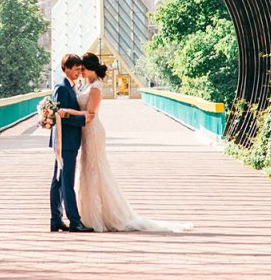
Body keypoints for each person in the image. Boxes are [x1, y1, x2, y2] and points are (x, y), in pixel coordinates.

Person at [66, 52, 193, 233]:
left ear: (91, 68)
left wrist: (66, 112)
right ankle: (88, 214)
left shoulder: (95, 88)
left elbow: (91, 114)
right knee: (87, 170)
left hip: (93, 131)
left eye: (83, 68)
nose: (81, 72)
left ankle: (100, 216)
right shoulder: (85, 85)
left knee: (96, 170)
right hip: (85, 132)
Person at [50, 54, 94, 232]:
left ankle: (56, 219)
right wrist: (84, 120)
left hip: (65, 140)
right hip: (65, 140)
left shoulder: (69, 86)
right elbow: (62, 117)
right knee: (66, 181)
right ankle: (74, 221)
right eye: (75, 69)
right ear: (66, 68)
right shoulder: (62, 87)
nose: (78, 72)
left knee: (59, 181)